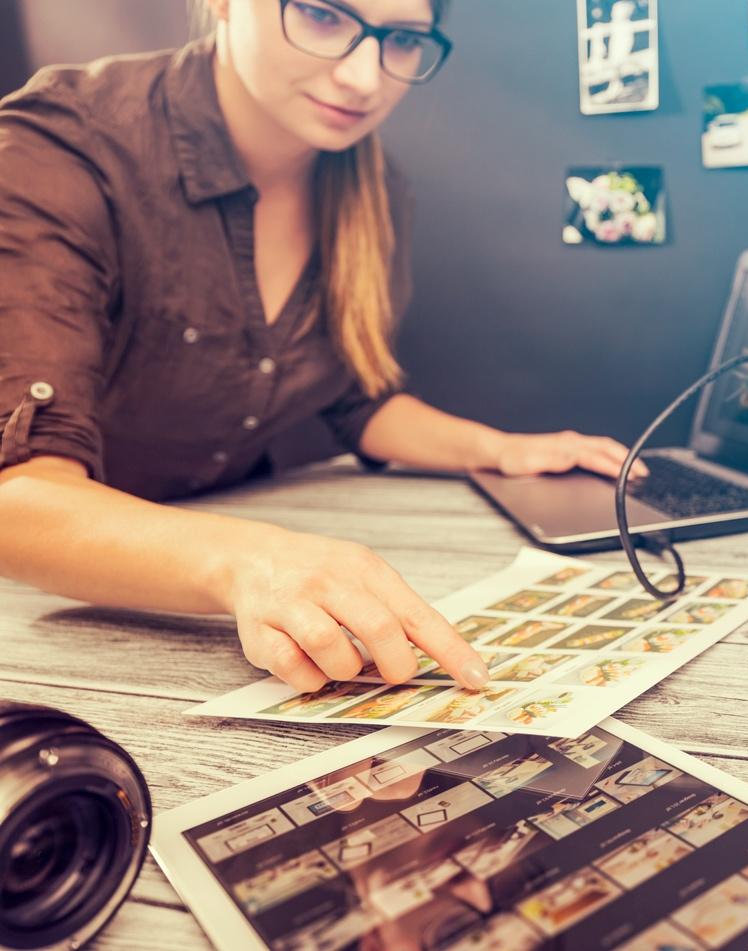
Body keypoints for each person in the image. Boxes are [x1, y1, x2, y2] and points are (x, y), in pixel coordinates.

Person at [0, 0, 647, 696]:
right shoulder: (57, 150)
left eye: (401, 39)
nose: (365, 77)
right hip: (44, 631)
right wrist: (248, 558)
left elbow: (352, 397)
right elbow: (18, 502)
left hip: (219, 629)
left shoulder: (369, 187)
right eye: (320, 15)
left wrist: (498, 448)